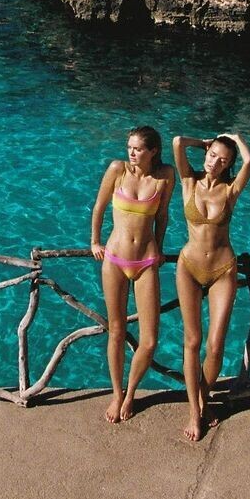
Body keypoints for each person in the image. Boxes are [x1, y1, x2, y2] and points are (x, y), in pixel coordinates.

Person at [90, 126, 175, 423]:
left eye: (138, 148)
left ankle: (131, 393)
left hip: (147, 261)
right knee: (116, 331)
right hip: (114, 258)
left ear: (153, 151)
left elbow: (162, 215)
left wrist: (160, 248)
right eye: (130, 147)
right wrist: (95, 241)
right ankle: (117, 394)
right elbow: (99, 206)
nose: (132, 152)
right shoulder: (118, 169)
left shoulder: (166, 176)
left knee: (149, 340)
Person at [173, 132, 250, 441]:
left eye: (223, 160)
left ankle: (203, 397)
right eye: (212, 156)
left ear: (229, 164)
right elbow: (177, 142)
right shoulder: (188, 182)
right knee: (192, 341)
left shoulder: (231, 190)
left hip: (223, 269)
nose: (215, 162)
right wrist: (204, 143)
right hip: (189, 267)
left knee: (216, 345)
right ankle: (195, 411)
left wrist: (236, 137)